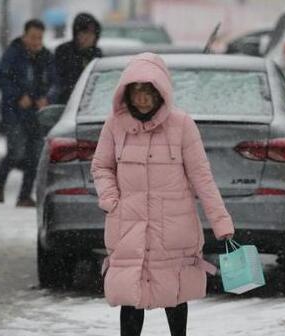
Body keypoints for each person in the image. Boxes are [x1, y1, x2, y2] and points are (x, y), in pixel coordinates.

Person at [91, 53, 235, 336]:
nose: (142, 99)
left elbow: (201, 177)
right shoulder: (115, 125)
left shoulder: (181, 125)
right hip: (128, 226)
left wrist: (222, 223)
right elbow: (101, 166)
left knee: (175, 294)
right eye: (136, 92)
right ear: (127, 93)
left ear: (161, 92)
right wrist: (111, 200)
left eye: (148, 91)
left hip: (173, 228)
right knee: (130, 297)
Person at [0, 19, 55, 207]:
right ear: (25, 36)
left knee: (34, 156)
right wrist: (18, 96)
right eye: (33, 37)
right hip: (14, 113)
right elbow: (1, 77)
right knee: (16, 151)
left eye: (40, 38)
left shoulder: (46, 57)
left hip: (36, 114)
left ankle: (24, 196)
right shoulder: (13, 54)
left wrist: (46, 98)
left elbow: (53, 82)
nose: (36, 42)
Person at [53, 12, 102, 104]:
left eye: (92, 33)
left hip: (91, 103)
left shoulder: (97, 53)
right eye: (84, 32)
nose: (88, 37)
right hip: (66, 104)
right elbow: (57, 80)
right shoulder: (63, 51)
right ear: (76, 33)